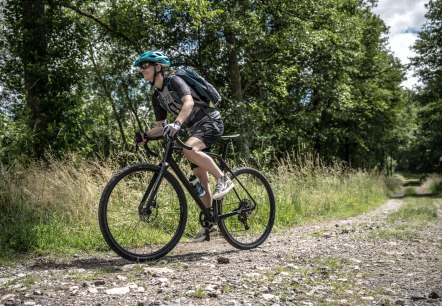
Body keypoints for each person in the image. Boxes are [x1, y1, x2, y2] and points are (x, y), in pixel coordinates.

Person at [133, 50, 234, 242]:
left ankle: (224, 179)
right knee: (198, 178)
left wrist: (177, 124)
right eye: (141, 67)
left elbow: (188, 103)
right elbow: (160, 128)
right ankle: (210, 223)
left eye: (145, 65)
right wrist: (146, 135)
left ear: (158, 67)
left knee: (189, 149)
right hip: (193, 129)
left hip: (209, 121)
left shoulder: (174, 81)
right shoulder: (157, 97)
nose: (142, 70)